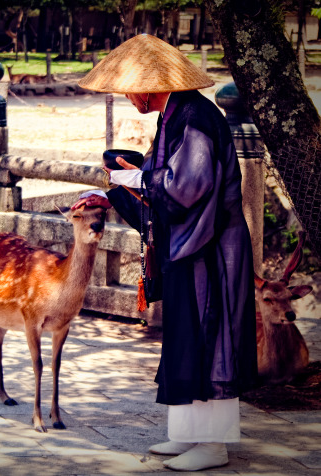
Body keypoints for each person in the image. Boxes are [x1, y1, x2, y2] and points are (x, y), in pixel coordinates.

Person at [72, 34, 258, 472]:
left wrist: (135, 182)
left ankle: (213, 445)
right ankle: (189, 435)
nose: (127, 97)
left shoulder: (194, 115)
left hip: (211, 249)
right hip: (192, 246)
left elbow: (187, 187)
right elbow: (165, 173)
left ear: (147, 85)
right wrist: (126, 183)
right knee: (185, 337)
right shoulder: (176, 114)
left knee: (209, 339)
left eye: (128, 89)